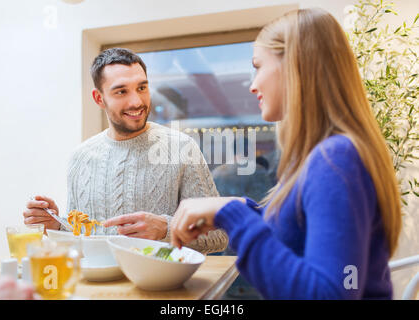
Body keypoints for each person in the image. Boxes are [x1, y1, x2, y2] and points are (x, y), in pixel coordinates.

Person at [170, 8, 402, 299]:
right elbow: (297, 235)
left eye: (258, 66)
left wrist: (234, 215)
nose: (253, 85)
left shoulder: (336, 159)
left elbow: (334, 293)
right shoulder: (326, 156)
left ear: (295, 65)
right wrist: (238, 208)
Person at [23, 48, 228, 254]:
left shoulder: (182, 148)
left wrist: (167, 228)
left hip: (162, 285)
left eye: (141, 88)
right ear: (99, 98)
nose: (136, 102)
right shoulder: (80, 158)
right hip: (96, 285)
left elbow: (219, 236)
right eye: (121, 91)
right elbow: (81, 238)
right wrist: (56, 226)